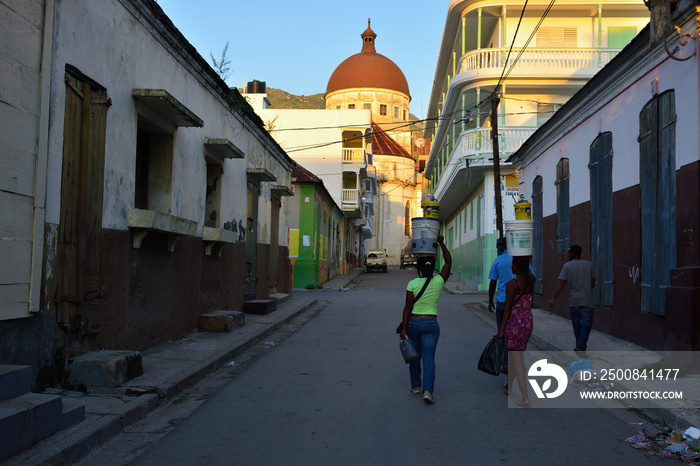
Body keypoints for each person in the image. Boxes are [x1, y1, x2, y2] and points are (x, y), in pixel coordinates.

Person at [399, 235, 452, 404]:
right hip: (431, 323)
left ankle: (415, 386)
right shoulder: (438, 281)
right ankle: (427, 391)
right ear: (432, 268)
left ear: (419, 269)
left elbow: (408, 308)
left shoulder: (412, 284)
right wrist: (441, 243)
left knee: (415, 356)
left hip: (414, 323)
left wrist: (404, 328)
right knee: (429, 358)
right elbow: (449, 262)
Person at [498, 257, 535, 407]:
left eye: (513, 264)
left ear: (517, 267)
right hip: (527, 322)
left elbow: (507, 309)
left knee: (517, 359)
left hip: (515, 324)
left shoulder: (511, 284)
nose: (511, 267)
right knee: (516, 356)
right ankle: (510, 386)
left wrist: (501, 328)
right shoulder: (532, 279)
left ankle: (525, 397)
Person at [549, 245, 596, 352]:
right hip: (587, 299)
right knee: (586, 324)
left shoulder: (567, 266)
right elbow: (593, 282)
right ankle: (580, 346)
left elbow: (561, 283)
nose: (567, 255)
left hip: (574, 300)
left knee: (577, 324)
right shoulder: (589, 265)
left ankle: (579, 345)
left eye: (569, 253)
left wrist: (554, 299)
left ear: (573, 254)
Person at [488, 237, 514, 374]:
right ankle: (512, 362)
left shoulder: (498, 261)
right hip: (516, 302)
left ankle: (504, 363)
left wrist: (490, 300)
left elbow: (493, 282)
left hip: (502, 301)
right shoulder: (519, 260)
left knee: (502, 332)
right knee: (514, 333)